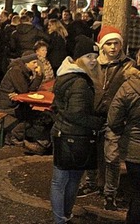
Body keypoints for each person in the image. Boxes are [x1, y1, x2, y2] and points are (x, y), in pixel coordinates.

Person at [78, 25, 136, 210]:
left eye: (116, 43)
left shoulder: (127, 65)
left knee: (112, 157)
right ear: (101, 45)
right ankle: (91, 182)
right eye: (109, 43)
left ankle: (110, 193)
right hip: (93, 115)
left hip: (115, 118)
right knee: (91, 152)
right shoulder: (90, 63)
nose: (113, 47)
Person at [50, 35, 103, 224]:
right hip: (73, 136)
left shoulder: (66, 74)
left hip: (65, 133)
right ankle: (61, 219)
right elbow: (76, 114)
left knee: (66, 180)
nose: (93, 60)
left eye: (95, 56)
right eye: (89, 56)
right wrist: (99, 122)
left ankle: (63, 217)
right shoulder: (80, 81)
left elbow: (61, 108)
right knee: (65, 181)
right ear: (79, 57)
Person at [108, 57, 140, 224]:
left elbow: (113, 119)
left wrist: (125, 131)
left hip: (134, 149)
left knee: (137, 192)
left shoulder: (128, 87)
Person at [0, 52, 43, 146]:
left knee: (32, 112)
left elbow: (30, 89)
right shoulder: (16, 71)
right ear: (26, 63)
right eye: (34, 62)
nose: (36, 65)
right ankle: (12, 136)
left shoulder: (24, 71)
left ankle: (15, 134)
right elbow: (24, 90)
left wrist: (39, 76)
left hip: (13, 101)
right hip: (6, 103)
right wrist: (21, 92)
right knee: (29, 115)